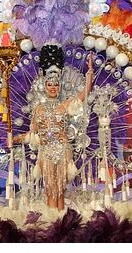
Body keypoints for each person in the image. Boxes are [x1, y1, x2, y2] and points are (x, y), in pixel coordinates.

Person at [15, 45, 94, 210]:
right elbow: (32, 133)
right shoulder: (38, 108)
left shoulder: (65, 105)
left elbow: (86, 92)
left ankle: (60, 224)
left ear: (59, 87)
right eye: (49, 85)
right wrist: (16, 138)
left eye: (56, 85)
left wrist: (90, 72)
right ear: (45, 86)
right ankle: (52, 225)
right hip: (45, 151)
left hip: (63, 149)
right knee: (50, 188)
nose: (52, 87)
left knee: (60, 189)